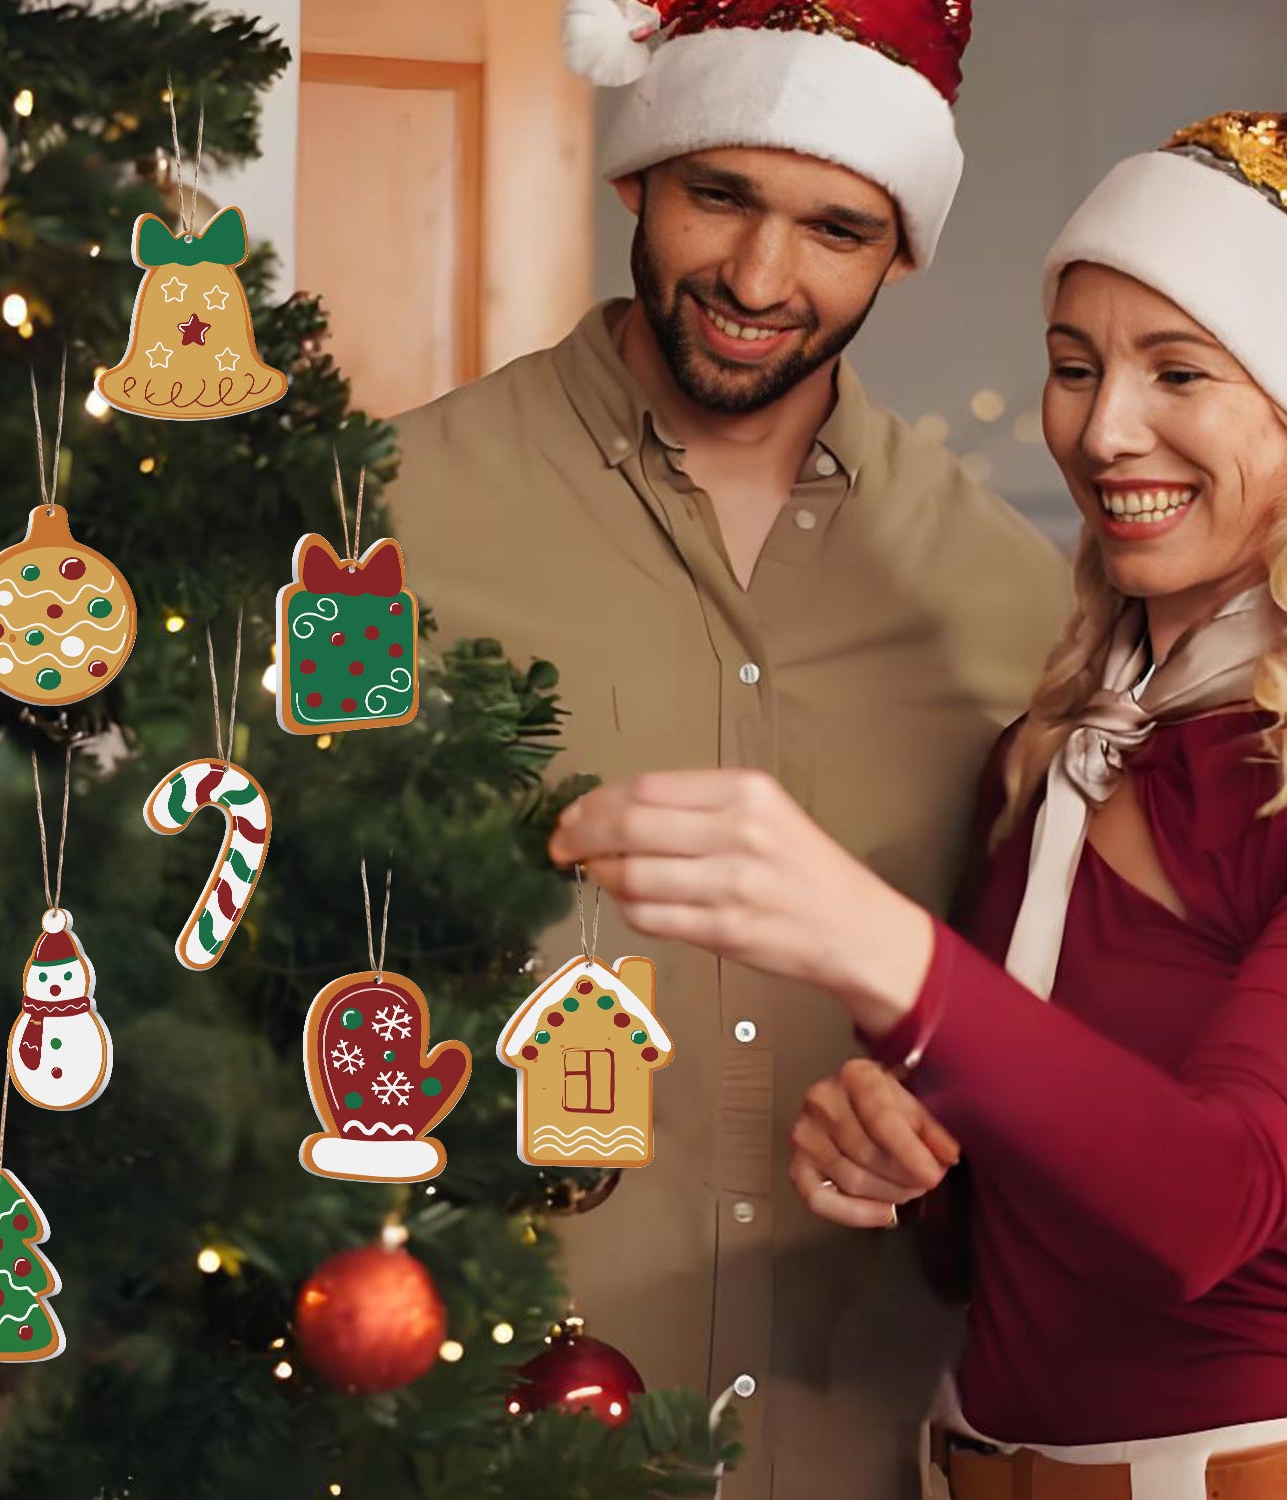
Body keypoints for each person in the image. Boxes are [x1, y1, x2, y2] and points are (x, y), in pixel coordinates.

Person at [548, 109, 1287, 1500]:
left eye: (1178, 371)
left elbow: (1209, 1202)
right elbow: (1020, 1228)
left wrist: (873, 944)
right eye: (1074, 367)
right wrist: (910, 1163)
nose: (1102, 427)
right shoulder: (1059, 751)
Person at [388, 2, 1069, 1494]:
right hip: (468, 1423)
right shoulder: (387, 521)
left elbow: (1063, 1031)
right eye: (721, 196)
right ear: (637, 175)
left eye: (835, 227)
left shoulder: (1017, 606)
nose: (762, 279)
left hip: (872, 1434)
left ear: (899, 248)